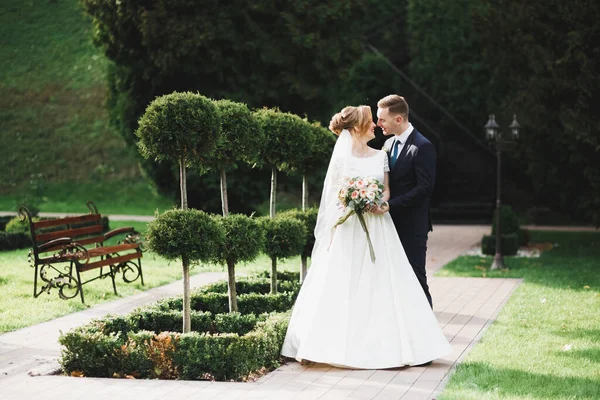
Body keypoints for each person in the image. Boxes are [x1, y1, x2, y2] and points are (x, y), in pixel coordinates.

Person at [281, 105, 450, 369]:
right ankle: (324, 344)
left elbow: (386, 190)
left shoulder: (380, 155)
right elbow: (335, 195)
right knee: (341, 282)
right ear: (358, 126)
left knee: (385, 282)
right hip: (349, 228)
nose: (375, 125)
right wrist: (351, 203)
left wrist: (378, 202)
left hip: (378, 225)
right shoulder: (342, 158)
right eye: (371, 122)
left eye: (377, 120)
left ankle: (398, 344)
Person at [373, 95, 437, 308]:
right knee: (393, 278)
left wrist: (391, 205)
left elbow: (424, 188)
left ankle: (427, 327)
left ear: (398, 119)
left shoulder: (422, 146)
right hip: (389, 224)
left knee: (416, 276)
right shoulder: (388, 144)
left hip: (413, 225)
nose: (378, 124)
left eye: (382, 119)